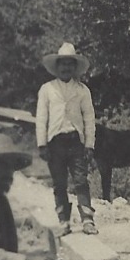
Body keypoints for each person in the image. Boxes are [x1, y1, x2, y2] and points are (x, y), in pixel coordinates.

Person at [36, 42, 98, 235]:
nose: (65, 68)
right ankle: (63, 221)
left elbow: (89, 118)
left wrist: (89, 144)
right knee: (59, 182)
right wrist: (42, 144)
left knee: (80, 180)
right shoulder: (47, 89)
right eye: (62, 64)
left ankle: (87, 219)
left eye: (69, 64)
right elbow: (41, 118)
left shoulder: (82, 90)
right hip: (55, 142)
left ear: (75, 67)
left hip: (75, 141)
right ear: (56, 67)